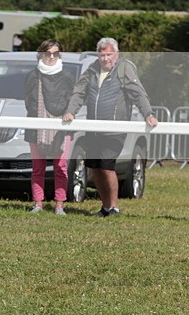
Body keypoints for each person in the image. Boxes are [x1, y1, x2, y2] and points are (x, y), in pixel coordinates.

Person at [62, 37, 158, 217]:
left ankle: (114, 207)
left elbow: (138, 93)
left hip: (114, 131)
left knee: (107, 167)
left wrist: (148, 114)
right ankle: (105, 207)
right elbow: (79, 93)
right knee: (96, 168)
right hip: (93, 130)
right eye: (102, 55)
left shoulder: (124, 69)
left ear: (117, 54)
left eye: (109, 55)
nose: (105, 58)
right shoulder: (92, 70)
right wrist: (70, 111)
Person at [24, 40, 75, 215]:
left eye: (55, 53)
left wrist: (68, 113)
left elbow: (73, 100)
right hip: (36, 127)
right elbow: (29, 102)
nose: (51, 57)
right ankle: (38, 203)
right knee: (38, 167)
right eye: (48, 53)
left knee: (60, 167)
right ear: (41, 54)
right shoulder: (33, 76)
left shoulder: (67, 76)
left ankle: (59, 204)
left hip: (62, 127)